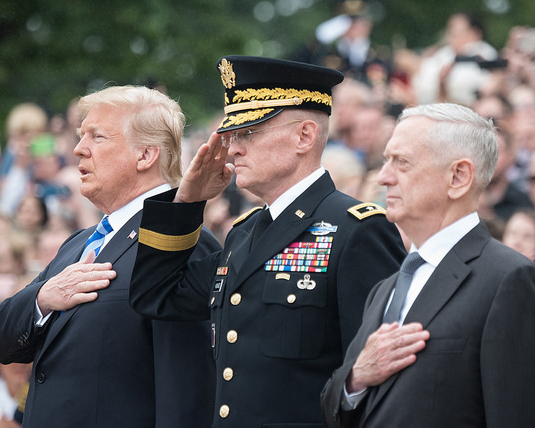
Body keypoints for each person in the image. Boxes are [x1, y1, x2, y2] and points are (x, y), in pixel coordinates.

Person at [130, 56, 406, 427]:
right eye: (231, 136)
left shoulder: (355, 229)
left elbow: (376, 380)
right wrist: (187, 203)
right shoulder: (243, 233)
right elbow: (156, 295)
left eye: (249, 133)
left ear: (304, 136)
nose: (232, 149)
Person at [320, 103, 535, 427]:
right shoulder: (386, 288)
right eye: (385, 161)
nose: (383, 177)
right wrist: (356, 378)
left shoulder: (511, 281)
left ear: (458, 176)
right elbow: (333, 411)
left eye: (402, 162)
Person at [0, 85, 219, 428]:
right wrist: (43, 298)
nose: (79, 149)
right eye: (81, 136)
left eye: (97, 137)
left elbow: (185, 392)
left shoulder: (183, 241)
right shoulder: (79, 244)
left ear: (145, 155)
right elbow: (1, 341)